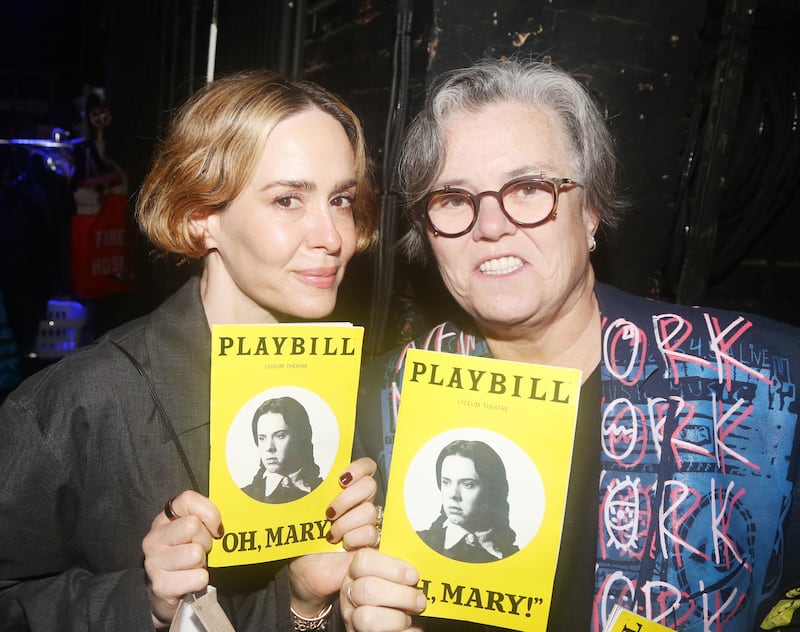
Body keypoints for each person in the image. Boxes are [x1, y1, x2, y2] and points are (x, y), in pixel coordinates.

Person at [346, 57, 800, 632]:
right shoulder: (381, 404)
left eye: (528, 187)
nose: (490, 225)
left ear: (591, 211)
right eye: (454, 198)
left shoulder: (765, 389)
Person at [0, 70, 383, 631]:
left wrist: (303, 601)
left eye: (342, 199)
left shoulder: (337, 392)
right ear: (200, 217)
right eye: (287, 199)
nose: (333, 236)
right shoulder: (81, 402)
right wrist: (143, 605)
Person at [416, 439, 518, 563]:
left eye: (467, 484)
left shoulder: (514, 557)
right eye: (446, 482)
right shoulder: (419, 543)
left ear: (491, 491)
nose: (453, 494)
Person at [242, 395, 323, 503]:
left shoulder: (324, 491)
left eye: (280, 435)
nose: (269, 448)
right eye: (262, 438)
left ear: (299, 437)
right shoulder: (244, 496)